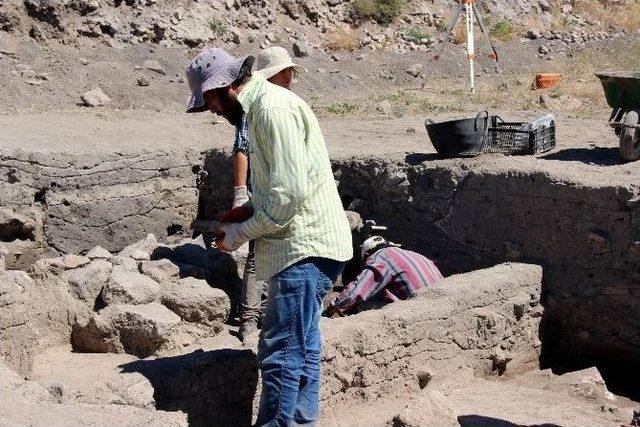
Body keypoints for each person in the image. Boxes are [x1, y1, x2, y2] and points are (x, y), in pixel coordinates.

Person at [185, 48, 352, 426]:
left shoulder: (271, 111)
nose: (211, 111)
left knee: (281, 351)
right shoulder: (262, 109)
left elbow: (287, 197)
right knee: (304, 347)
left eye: (209, 101)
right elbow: (277, 188)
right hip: (308, 246)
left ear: (224, 87)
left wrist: (241, 233)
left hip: (302, 249)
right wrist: (244, 211)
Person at [232, 46, 306, 341]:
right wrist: (241, 193)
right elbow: (241, 148)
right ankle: (249, 320)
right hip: (265, 192)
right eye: (284, 73)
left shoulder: (286, 105)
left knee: (280, 254)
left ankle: (264, 314)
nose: (288, 78)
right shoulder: (256, 108)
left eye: (289, 73)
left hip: (283, 192)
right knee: (258, 253)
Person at [324, 236, 444, 317]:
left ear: (367, 254)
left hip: (420, 314)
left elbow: (355, 292)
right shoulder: (415, 254)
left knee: (363, 304)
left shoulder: (381, 257)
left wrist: (331, 309)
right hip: (442, 308)